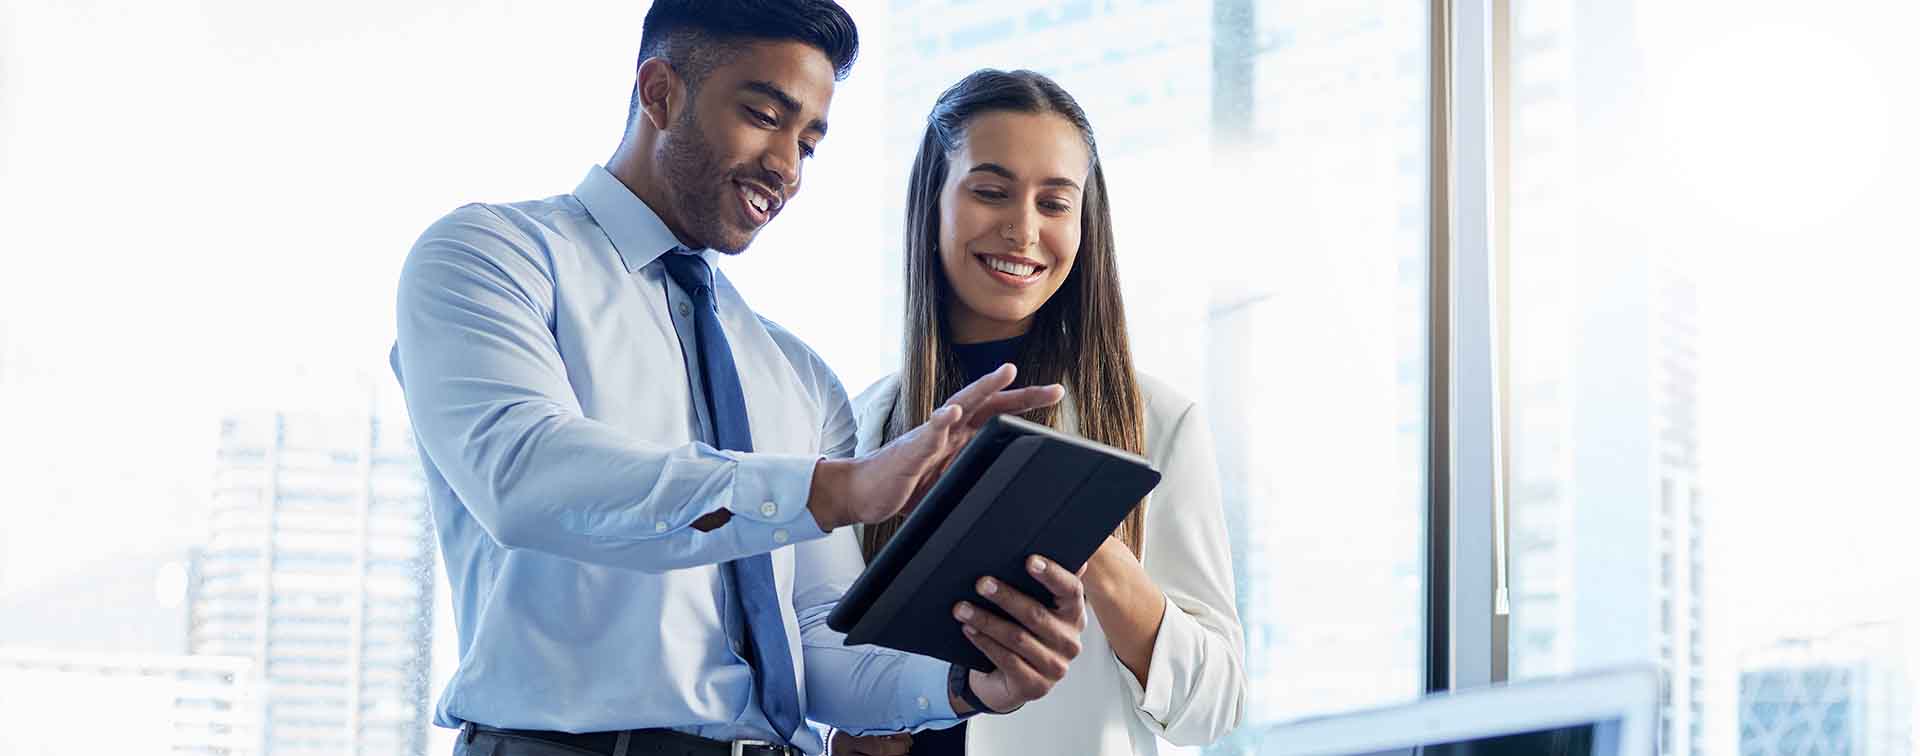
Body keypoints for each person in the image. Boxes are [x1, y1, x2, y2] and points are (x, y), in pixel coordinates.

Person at [389, 5, 1090, 754]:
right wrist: (834, 489)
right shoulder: (493, 259)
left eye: (809, 144)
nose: (786, 167)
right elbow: (524, 477)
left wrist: (966, 684)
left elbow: (816, 640)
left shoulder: (797, 375)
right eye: (763, 116)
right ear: (659, 93)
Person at [829, 69, 1247, 755]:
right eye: (991, 192)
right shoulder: (864, 429)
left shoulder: (1157, 422)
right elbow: (829, 686)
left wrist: (1089, 544)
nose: (1023, 230)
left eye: (1054, 203)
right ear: (931, 203)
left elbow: (1216, 704)